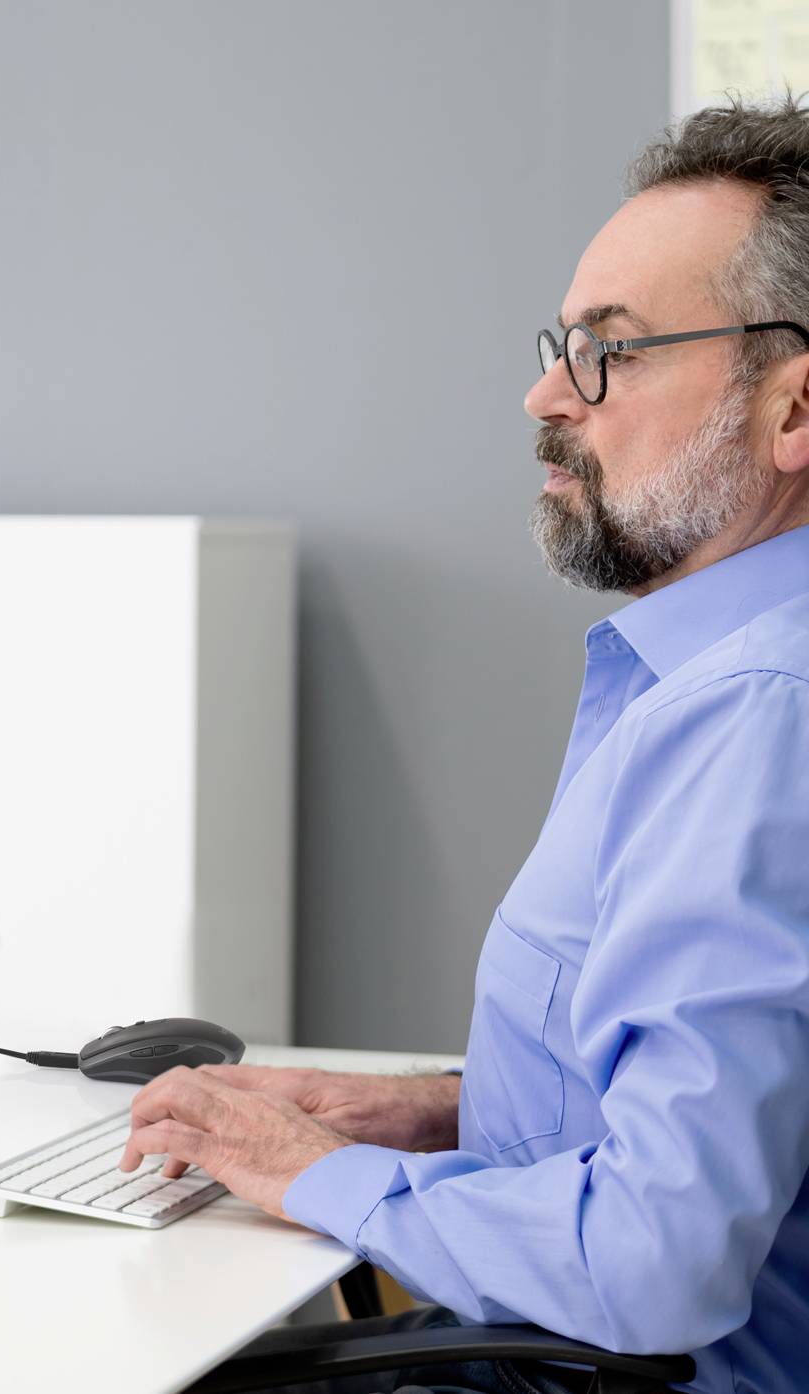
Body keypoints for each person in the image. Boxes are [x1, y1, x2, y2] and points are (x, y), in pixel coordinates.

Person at [121, 98, 809, 1394]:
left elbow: (658, 1265)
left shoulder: (759, 711)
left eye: (611, 352)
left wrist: (312, 1169)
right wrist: (437, 1108)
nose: (547, 395)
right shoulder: (725, 678)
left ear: (793, 410)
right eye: (562, 347)